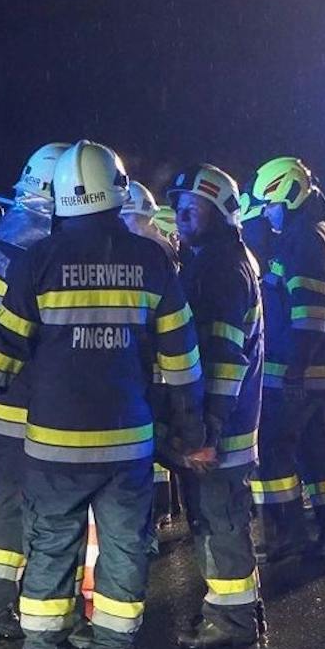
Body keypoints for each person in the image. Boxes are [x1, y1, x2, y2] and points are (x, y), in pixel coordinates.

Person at [0, 141, 204, 649]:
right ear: (117, 192)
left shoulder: (36, 261)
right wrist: (190, 426)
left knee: (50, 550)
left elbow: (2, 351)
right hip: (127, 446)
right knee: (122, 553)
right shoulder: (151, 259)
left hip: (53, 447)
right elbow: (182, 356)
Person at [0, 142, 69, 640]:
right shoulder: (35, 243)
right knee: (14, 506)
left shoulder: (13, 233)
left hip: (4, 393)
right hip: (24, 398)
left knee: (14, 502)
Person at [165, 164, 265, 649]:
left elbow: (226, 355)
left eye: (194, 208)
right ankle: (233, 612)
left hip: (220, 427)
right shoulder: (216, 259)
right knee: (214, 518)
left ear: (221, 211)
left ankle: (233, 621)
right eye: (180, 207)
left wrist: (208, 429)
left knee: (221, 519)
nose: (183, 215)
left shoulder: (220, 268)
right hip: (222, 421)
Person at [248, 156, 325, 562]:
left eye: (270, 204)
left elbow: (310, 314)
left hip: (301, 371)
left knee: (274, 448)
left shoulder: (304, 239)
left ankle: (284, 535)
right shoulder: (313, 233)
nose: (267, 213)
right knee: (319, 454)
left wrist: (295, 371)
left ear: (290, 196)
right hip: (318, 371)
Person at [120, 182, 181, 540]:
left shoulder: (150, 252)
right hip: (158, 366)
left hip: (154, 367)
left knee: (152, 441)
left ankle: (157, 512)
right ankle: (165, 506)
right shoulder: (158, 249)